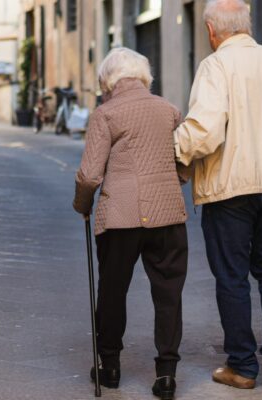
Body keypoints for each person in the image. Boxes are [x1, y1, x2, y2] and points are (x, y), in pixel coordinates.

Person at [174, 0, 262, 390]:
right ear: (247, 26)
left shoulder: (215, 65)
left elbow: (204, 130)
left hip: (229, 188)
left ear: (211, 30)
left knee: (232, 276)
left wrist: (174, 152)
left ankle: (242, 366)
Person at [73, 47, 189, 400]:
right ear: (144, 77)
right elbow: (185, 161)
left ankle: (110, 368)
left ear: (108, 81)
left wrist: (82, 204)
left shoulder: (106, 114)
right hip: (167, 216)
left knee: (112, 291)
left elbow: (90, 175)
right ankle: (166, 375)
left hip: (119, 218)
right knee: (168, 294)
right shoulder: (170, 111)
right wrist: (169, 182)